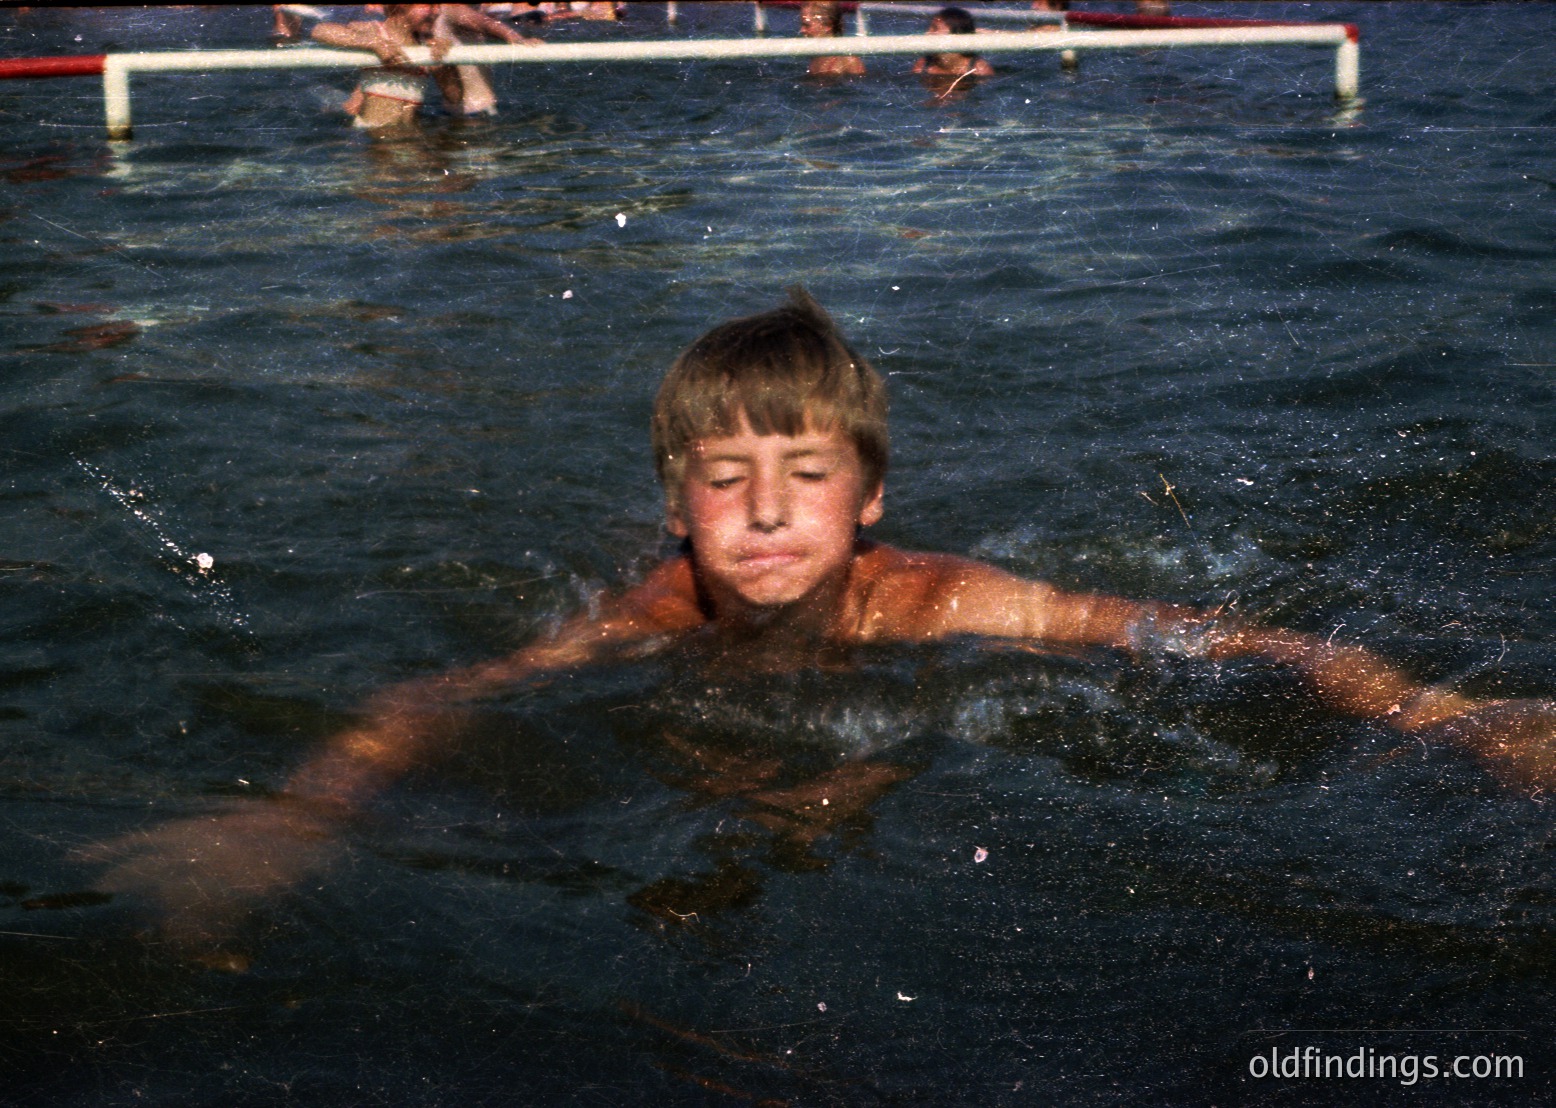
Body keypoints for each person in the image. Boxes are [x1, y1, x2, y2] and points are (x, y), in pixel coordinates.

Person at [89, 289, 1556, 959]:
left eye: (806, 478)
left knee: (831, 805)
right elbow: (429, 702)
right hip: (718, 710)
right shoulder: (649, 614)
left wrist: (1447, 715)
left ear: (867, 503)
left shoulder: (935, 600)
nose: (769, 513)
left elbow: (1220, 638)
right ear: (680, 513)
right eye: (728, 483)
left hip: (882, 706)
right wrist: (289, 822)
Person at [311, 4, 449, 130]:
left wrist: (444, 60)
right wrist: (374, 43)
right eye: (430, 5)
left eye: (438, 6)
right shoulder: (376, 32)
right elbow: (319, 31)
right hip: (374, 130)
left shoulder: (426, 44)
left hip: (409, 131)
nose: (437, 11)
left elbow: (454, 96)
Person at [429, 3, 540, 117]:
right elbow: (484, 24)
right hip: (476, 112)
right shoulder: (451, 9)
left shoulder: (436, 13)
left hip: (455, 111)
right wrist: (516, 38)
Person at [913, 6, 995, 82]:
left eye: (935, 28)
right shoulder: (922, 65)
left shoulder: (979, 70)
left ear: (956, 35)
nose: (927, 33)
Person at [799, 1, 865, 79]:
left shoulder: (849, 61)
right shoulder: (817, 56)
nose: (801, 30)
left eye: (806, 25)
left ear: (828, 25)